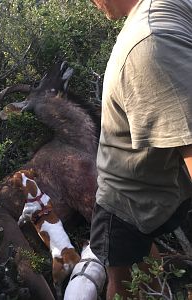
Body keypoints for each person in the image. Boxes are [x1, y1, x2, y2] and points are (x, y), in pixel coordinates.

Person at [89, 0, 192, 299]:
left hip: (127, 200)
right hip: (162, 189)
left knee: (121, 287)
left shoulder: (150, 43)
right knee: (140, 268)